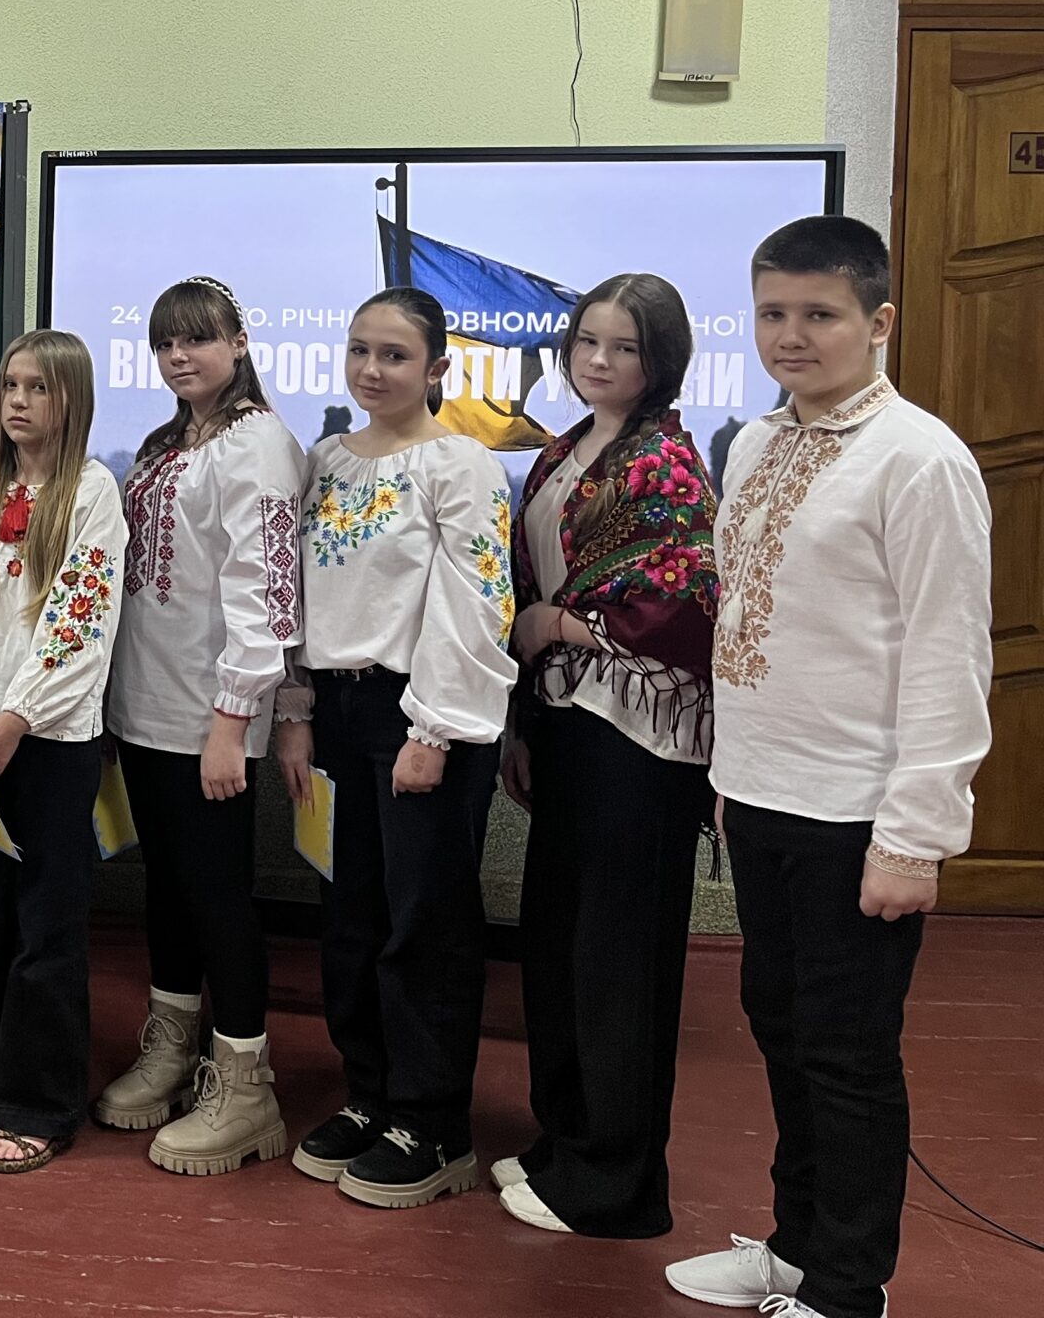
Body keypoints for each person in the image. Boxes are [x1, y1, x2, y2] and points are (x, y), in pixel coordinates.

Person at [666, 218, 993, 1318]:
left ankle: (850, 1289)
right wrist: (730, 775)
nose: (790, 336)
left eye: (819, 315)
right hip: (763, 794)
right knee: (780, 1028)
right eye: (772, 313)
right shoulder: (757, 443)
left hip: (860, 813)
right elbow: (747, 630)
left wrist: (916, 835)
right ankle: (796, 1248)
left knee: (847, 1055)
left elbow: (949, 657)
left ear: (878, 321)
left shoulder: (920, 458)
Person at [495, 275, 717, 1238]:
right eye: (588, 340)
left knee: (619, 956)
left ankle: (618, 1183)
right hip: (564, 722)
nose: (599, 360)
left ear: (660, 360)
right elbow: (523, 589)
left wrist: (558, 625)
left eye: (624, 347)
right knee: (558, 941)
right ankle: (567, 1139)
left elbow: (686, 601)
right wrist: (520, 718)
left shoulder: (666, 461)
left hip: (643, 740)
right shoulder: (561, 451)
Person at [284, 286, 515, 1208]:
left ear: (436, 369)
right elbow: (297, 597)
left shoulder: (461, 465)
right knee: (351, 918)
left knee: (424, 924)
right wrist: (296, 708)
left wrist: (433, 729)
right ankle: (371, 1094)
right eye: (359, 351)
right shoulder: (327, 461)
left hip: (419, 714)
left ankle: (433, 1122)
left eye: (394, 355)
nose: (372, 370)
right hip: (337, 712)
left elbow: (477, 602)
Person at [94, 277, 307, 1176]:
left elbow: (267, 591)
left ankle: (246, 1084)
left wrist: (233, 719)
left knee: (218, 895)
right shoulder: (167, 443)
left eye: (198, 339)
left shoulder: (257, 444)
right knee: (169, 889)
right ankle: (172, 1048)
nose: (179, 356)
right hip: (145, 706)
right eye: (165, 343)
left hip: (210, 714)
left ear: (239, 342)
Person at [0, 328, 127, 1174]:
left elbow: (81, 620)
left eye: (38, 388)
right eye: (11, 384)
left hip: (48, 740)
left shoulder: (93, 490)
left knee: (46, 928)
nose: (18, 401)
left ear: (70, 398)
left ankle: (40, 1103)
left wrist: (18, 715)